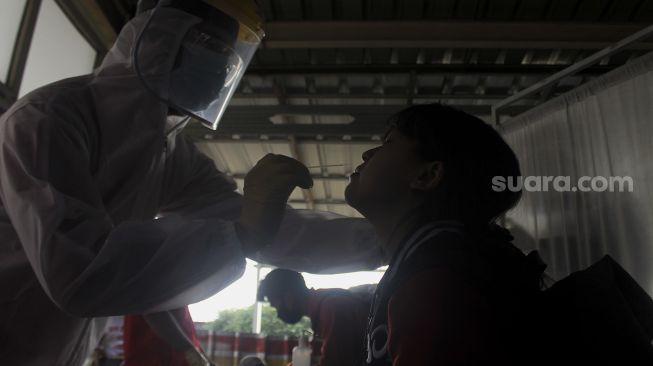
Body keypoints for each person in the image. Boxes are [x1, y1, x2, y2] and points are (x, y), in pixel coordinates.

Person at [0, 1, 382, 365]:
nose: (222, 69)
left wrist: (382, 242)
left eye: (230, 57)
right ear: (158, 37)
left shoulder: (168, 155)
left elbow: (266, 229)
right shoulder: (47, 120)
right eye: (212, 47)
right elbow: (80, 274)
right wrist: (243, 234)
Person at [344, 104, 545, 365]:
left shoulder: (435, 290)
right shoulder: (458, 262)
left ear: (427, 175)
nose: (367, 153)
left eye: (389, 142)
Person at [258, 269, 371, 366]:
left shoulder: (331, 307)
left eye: (276, 305)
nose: (278, 314)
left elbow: (334, 363)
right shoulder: (322, 308)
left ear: (289, 296)